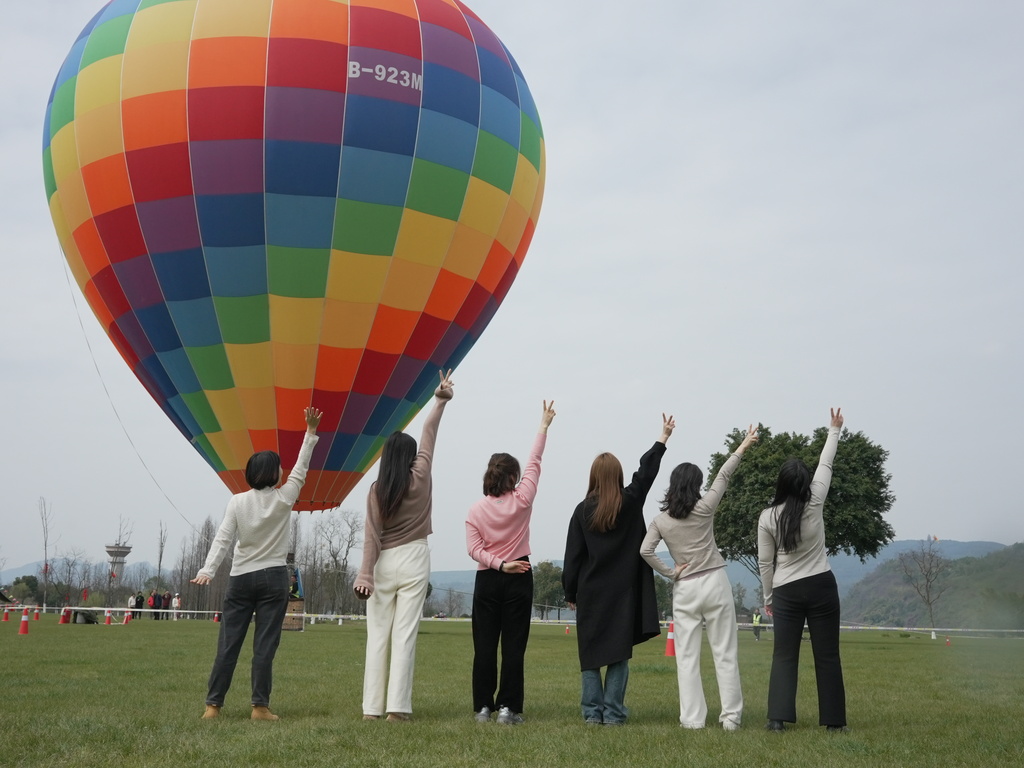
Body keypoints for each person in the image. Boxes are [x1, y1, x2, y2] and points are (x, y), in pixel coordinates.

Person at [191, 405, 322, 721]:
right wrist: (310, 432)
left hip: (240, 578)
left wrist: (208, 570)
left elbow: (223, 538)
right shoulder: (284, 497)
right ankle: (259, 707)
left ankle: (213, 706)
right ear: (275, 474)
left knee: (228, 644)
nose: (283, 472)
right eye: (279, 468)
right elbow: (302, 468)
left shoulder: (237, 501)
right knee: (265, 646)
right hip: (274, 578)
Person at [640, 424, 759, 731]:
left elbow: (645, 550)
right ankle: (731, 718)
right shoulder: (705, 507)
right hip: (715, 582)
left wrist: (670, 572)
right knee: (725, 653)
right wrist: (743, 446)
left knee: (687, 658)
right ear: (695, 486)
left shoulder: (661, 520)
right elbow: (724, 475)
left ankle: (693, 720)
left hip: (686, 587)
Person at [354, 371, 454, 722]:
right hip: (415, 557)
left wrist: (365, 573)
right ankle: (398, 709)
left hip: (382, 564)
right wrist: (439, 400)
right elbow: (429, 434)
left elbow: (371, 536)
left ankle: (371, 710)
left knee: (377, 636)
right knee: (405, 635)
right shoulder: (421, 475)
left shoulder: (376, 489)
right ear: (411, 457)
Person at [562, 414, 674, 726]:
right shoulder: (631, 500)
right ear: (618, 474)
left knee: (591, 654)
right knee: (617, 653)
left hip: (591, 592)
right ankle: (613, 713)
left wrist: (570, 592)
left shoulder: (582, 510)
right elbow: (646, 473)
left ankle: (591, 715)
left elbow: (573, 557)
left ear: (593, 476)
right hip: (624, 592)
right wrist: (662, 439)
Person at [465, 400, 557, 725]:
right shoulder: (523, 499)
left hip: (488, 579)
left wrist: (498, 564)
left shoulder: (476, 510)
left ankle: (482, 708)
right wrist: (543, 425)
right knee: (514, 647)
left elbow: (473, 550)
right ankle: (508, 709)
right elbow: (535, 460)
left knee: (485, 648)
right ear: (513, 477)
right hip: (520, 574)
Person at [758, 408, 847, 733]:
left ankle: (777, 720)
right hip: (822, 586)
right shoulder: (816, 501)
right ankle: (835, 723)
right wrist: (834, 429)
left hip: (786, 591)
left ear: (781, 484)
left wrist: (768, 596)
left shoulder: (767, 517)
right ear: (806, 483)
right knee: (827, 656)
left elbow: (765, 563)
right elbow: (826, 464)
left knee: (784, 656)